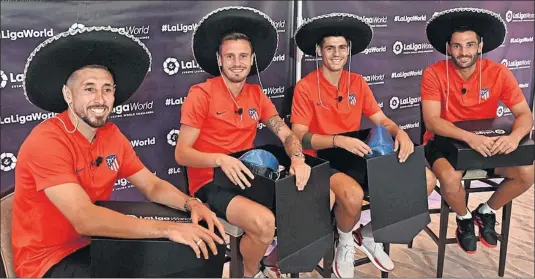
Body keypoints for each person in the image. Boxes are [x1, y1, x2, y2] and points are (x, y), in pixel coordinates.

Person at [12, 26, 225, 278]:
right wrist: (166, 229)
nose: (100, 99)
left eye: (107, 89)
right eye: (89, 89)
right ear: (68, 95)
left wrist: (192, 204)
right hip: (49, 261)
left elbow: (151, 185)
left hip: (98, 243)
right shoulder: (47, 141)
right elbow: (85, 218)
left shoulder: (111, 135)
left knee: (185, 260)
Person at [291, 13, 438, 278]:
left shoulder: (357, 82)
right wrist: (337, 139)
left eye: (342, 48)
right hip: (323, 160)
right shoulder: (305, 87)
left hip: (356, 155)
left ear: (349, 50)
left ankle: (368, 234)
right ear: (319, 51)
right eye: (330, 48)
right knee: (353, 195)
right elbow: (299, 136)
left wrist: (399, 132)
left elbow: (381, 119)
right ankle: (345, 242)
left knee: (425, 179)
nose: (336, 54)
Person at [174, 7, 312, 278]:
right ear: (220, 60)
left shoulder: (256, 94)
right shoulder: (200, 94)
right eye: (230, 56)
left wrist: (298, 157)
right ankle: (250, 273)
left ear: (252, 60)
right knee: (264, 223)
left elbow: (285, 133)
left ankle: (272, 259)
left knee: (314, 196)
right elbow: (182, 154)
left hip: (248, 176)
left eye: (243, 56)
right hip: (210, 182)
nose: (237, 63)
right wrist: (220, 159)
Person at [422, 7, 534, 254]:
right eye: (457, 46)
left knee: (528, 172)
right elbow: (431, 122)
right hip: (443, 143)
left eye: (470, 45)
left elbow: (525, 115)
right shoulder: (433, 73)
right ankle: (463, 219)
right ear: (449, 48)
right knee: (450, 179)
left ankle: (486, 212)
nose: (464, 52)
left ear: (480, 46)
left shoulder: (499, 72)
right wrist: (468, 138)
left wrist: (514, 138)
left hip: (484, 145)